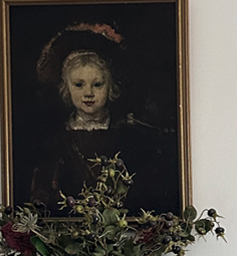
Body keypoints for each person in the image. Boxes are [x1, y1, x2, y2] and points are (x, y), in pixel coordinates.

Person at [29, 23, 178, 214]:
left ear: (110, 88)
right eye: (79, 85)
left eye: (97, 84)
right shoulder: (56, 141)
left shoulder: (128, 133)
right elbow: (43, 189)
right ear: (66, 89)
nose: (88, 93)